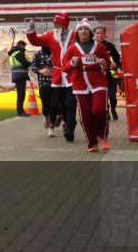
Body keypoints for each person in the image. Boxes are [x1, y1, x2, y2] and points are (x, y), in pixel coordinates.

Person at [61, 18, 112, 152]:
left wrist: (102, 62)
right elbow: (64, 68)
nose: (83, 31)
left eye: (86, 29)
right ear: (77, 32)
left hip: (98, 82)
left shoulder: (99, 46)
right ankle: (92, 142)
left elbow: (107, 63)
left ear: (90, 32)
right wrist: (72, 62)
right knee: (86, 115)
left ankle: (102, 136)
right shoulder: (72, 48)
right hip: (80, 84)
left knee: (99, 110)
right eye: (81, 29)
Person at [26, 13, 78, 142]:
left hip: (72, 74)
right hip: (57, 75)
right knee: (55, 103)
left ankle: (69, 124)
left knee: (70, 103)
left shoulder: (75, 35)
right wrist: (32, 29)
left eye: (57, 24)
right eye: (54, 24)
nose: (55, 26)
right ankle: (55, 124)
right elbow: (36, 41)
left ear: (65, 24)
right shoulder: (51, 35)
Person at [94, 26, 122, 120]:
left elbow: (118, 59)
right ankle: (107, 112)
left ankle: (113, 109)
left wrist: (116, 64)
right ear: (94, 35)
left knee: (113, 97)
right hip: (98, 76)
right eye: (97, 33)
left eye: (101, 33)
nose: (100, 35)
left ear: (105, 34)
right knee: (103, 97)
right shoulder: (90, 46)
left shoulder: (110, 45)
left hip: (111, 76)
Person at [31, 45, 55, 136]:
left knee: (54, 105)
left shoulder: (56, 52)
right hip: (43, 84)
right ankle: (45, 115)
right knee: (46, 105)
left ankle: (51, 128)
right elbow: (33, 67)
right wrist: (41, 71)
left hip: (56, 83)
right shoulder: (37, 55)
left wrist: (54, 71)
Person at [7, 40, 32, 116]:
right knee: (21, 94)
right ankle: (20, 111)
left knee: (20, 94)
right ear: (20, 45)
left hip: (17, 75)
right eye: (24, 46)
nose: (25, 48)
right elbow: (25, 63)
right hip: (20, 75)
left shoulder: (13, 53)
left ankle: (20, 110)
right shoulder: (18, 53)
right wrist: (33, 63)